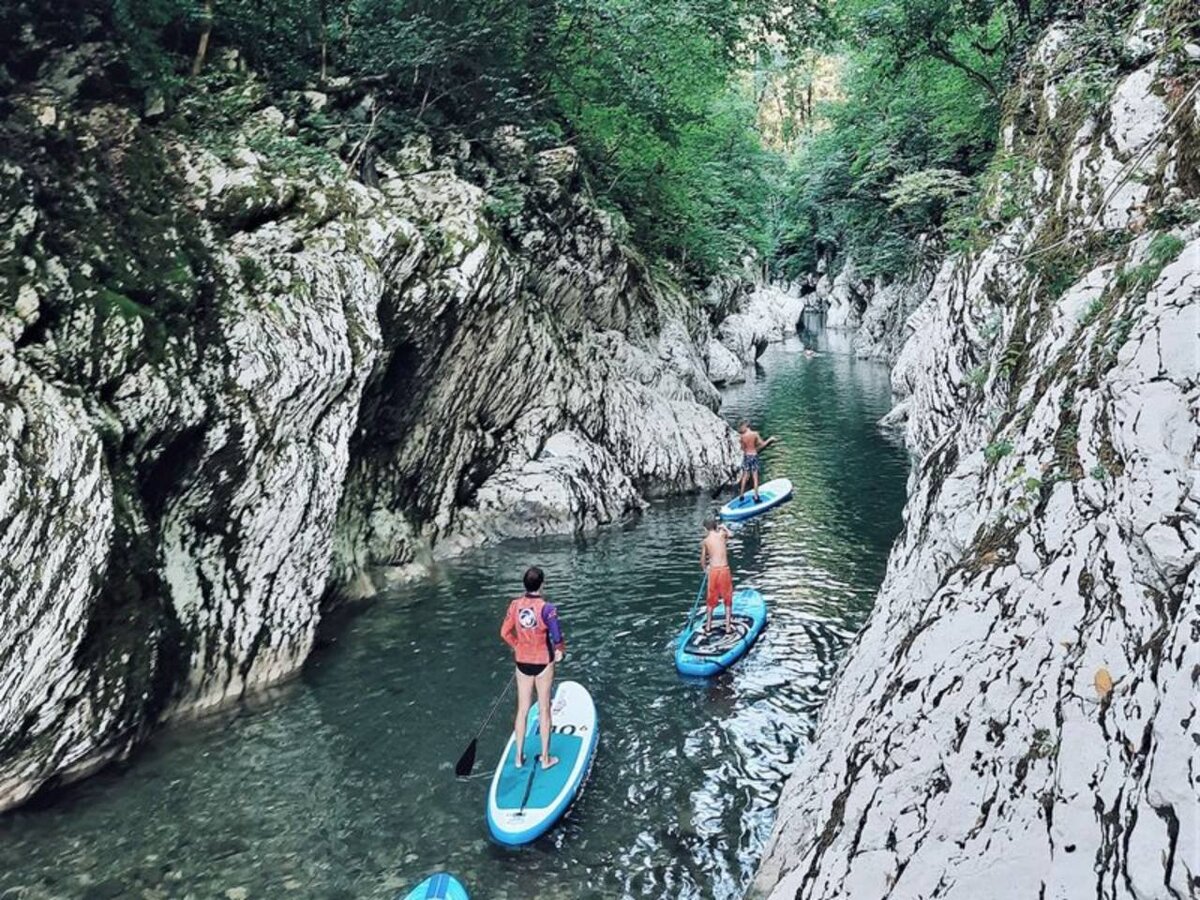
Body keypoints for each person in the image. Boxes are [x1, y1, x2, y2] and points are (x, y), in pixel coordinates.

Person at [499, 566, 565, 770]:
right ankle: (545, 759)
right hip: (543, 662)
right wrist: (560, 651)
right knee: (544, 709)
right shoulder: (547, 608)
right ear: (542, 584)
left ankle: (519, 757)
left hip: (522, 662)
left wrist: (517, 645)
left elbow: (504, 632)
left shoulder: (515, 605)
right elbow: (556, 636)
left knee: (523, 709)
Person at [699, 517, 735, 635]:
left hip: (713, 571)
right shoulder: (722, 535)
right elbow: (731, 534)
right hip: (724, 570)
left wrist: (705, 569)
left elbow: (703, 560)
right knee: (727, 599)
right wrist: (724, 527)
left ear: (705, 528)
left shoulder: (705, 541)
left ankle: (708, 626)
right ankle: (728, 627)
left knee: (711, 600)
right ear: (716, 526)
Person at [737, 421, 779, 503]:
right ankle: (756, 496)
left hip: (746, 456)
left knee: (745, 476)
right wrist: (770, 440)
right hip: (754, 456)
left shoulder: (742, 437)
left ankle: (741, 495)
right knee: (755, 477)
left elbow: (742, 448)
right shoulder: (755, 434)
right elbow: (762, 444)